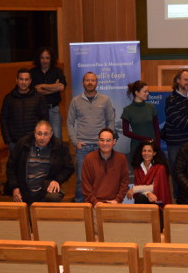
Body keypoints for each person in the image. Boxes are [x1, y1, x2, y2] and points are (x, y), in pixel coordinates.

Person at [67, 72, 116, 203]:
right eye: (87, 80)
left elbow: (111, 121)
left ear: (97, 82)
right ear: (83, 83)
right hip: (82, 146)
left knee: (101, 178)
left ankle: (99, 203)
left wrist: (107, 142)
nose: (90, 82)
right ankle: (80, 204)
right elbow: (70, 123)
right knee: (81, 179)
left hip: (101, 146)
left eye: (92, 80)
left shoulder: (105, 100)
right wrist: (75, 142)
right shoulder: (75, 101)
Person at [6, 120, 74, 204]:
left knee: (54, 197)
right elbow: (11, 167)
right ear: (34, 133)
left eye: (46, 134)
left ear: (51, 134)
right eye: (39, 133)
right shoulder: (23, 144)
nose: (42, 137)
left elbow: (69, 168)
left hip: (46, 188)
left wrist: (57, 180)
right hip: (24, 189)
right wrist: (15, 187)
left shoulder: (59, 146)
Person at [0, 68, 49, 153]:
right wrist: (8, 140)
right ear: (16, 80)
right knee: (16, 166)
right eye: (21, 79)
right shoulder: (9, 98)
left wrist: (41, 138)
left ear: (30, 81)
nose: (23, 82)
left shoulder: (39, 97)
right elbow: (3, 119)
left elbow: (44, 119)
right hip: (15, 143)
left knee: (36, 166)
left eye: (26, 79)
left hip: (34, 142)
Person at [81, 128, 129, 205]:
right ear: (98, 142)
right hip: (93, 204)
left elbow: (124, 182)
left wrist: (117, 200)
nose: (105, 143)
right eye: (102, 140)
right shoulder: (89, 158)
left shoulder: (121, 158)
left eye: (108, 140)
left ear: (114, 142)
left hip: (114, 203)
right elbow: (86, 184)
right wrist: (95, 202)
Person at [30, 47, 67, 140]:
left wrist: (43, 86)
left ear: (51, 59)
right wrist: (54, 86)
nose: (45, 60)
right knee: (40, 138)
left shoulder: (57, 71)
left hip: (53, 109)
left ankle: (57, 155)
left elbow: (62, 87)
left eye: (47, 58)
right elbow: (34, 90)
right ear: (38, 59)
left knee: (57, 138)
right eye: (42, 58)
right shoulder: (33, 72)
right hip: (38, 111)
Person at [126, 139, 172, 208]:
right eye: (144, 151)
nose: (146, 153)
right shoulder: (138, 168)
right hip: (145, 197)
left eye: (149, 151)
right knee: (140, 198)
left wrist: (134, 189)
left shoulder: (160, 168)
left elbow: (155, 187)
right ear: (141, 152)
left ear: (154, 153)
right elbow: (140, 187)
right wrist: (148, 193)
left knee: (142, 198)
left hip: (158, 199)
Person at [121, 80, 161, 156]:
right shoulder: (128, 110)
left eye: (147, 91)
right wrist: (144, 139)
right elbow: (125, 132)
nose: (147, 94)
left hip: (152, 146)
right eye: (145, 91)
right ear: (137, 93)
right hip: (137, 147)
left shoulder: (151, 107)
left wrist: (157, 147)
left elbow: (157, 129)